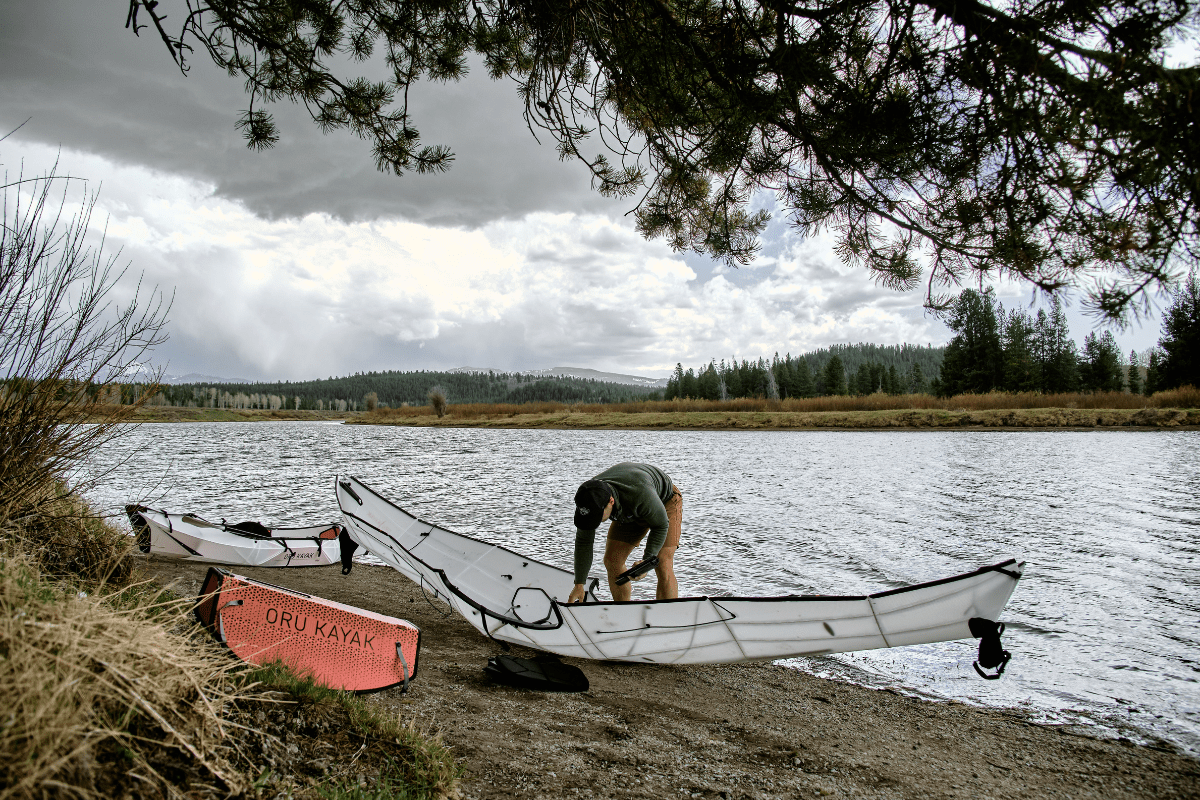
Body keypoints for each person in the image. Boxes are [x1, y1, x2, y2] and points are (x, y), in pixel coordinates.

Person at [567, 462, 682, 603]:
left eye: (597, 516)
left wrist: (647, 561)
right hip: (629, 509)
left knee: (662, 561)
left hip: (664, 501)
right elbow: (583, 542)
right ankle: (623, 612)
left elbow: (661, 525)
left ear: (610, 501)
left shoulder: (640, 493)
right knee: (612, 560)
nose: (593, 521)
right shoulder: (589, 499)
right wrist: (579, 584)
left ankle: (670, 616)